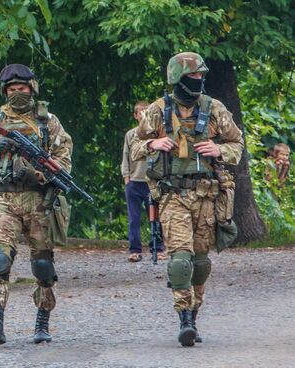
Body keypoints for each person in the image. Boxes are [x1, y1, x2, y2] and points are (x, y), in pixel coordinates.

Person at [130, 52, 243, 347]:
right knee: (180, 259)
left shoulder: (214, 109)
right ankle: (184, 320)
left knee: (201, 261)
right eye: (193, 77)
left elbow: (237, 143)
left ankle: (194, 312)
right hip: (172, 196)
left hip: (207, 195)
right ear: (178, 79)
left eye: (201, 77)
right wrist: (153, 143)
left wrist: (219, 151)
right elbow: (135, 146)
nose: (199, 82)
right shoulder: (158, 110)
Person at [0, 64, 73, 344]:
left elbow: (63, 163)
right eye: (11, 89)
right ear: (4, 91)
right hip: (5, 200)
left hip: (39, 201)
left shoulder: (49, 122)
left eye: (21, 88)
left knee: (43, 266)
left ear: (32, 88)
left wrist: (40, 173)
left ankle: (42, 323)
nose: (17, 93)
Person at [121, 101, 167, 262]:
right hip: (134, 180)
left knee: (156, 216)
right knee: (134, 218)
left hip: (152, 181)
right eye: (140, 112)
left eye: (146, 111)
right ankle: (134, 250)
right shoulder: (131, 134)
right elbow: (126, 155)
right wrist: (126, 176)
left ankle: (159, 248)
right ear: (135, 115)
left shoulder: (158, 133)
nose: (143, 115)